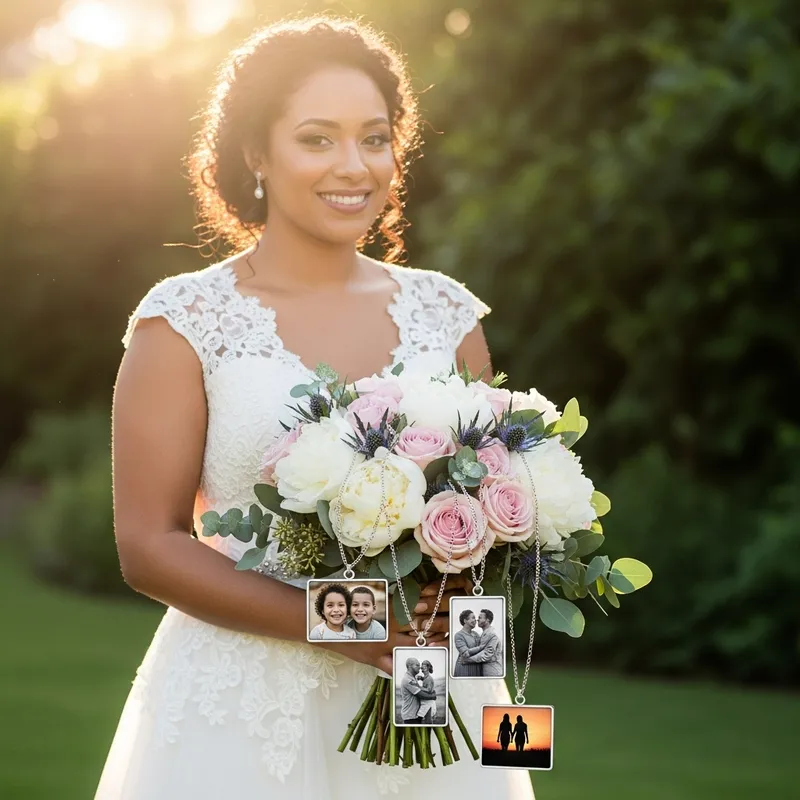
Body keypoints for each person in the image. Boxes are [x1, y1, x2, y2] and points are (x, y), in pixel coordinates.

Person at [96, 14, 535, 799]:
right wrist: (357, 621)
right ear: (257, 154)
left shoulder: (448, 316)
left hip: (426, 698)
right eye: (317, 138)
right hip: (245, 706)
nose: (354, 165)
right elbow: (148, 544)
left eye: (375, 137)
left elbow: (478, 518)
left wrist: (464, 597)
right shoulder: (186, 320)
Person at [461, 608, 504, 677]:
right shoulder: (485, 634)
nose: (477, 620)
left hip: (493, 672)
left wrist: (468, 660)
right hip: (487, 672)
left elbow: (487, 654)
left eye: (480, 618)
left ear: (487, 620)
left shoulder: (492, 634)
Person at [399, 657, 437, 724]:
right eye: (417, 665)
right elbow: (423, 695)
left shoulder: (413, 678)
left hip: (414, 715)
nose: (420, 667)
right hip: (410, 716)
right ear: (410, 666)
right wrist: (434, 696)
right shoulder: (408, 679)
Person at [453, 609, 484, 677]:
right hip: (465, 668)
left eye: (475, 618)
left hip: (477, 668)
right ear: (465, 621)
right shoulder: (459, 635)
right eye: (472, 618)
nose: (475, 620)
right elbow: (465, 653)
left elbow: (483, 650)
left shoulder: (476, 634)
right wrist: (481, 647)